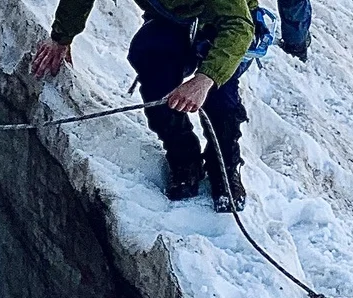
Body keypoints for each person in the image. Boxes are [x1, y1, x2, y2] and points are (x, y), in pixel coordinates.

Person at [31, 0, 259, 212]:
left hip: (225, 23)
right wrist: (62, 37)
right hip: (172, 19)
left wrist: (206, 78)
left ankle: (225, 167)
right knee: (154, 71)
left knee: (221, 99)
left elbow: (238, 26)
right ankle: (184, 158)